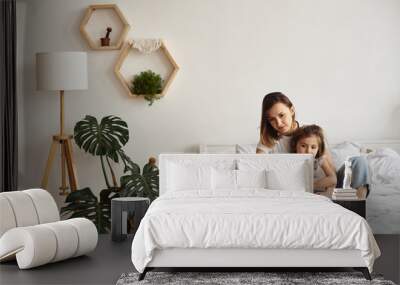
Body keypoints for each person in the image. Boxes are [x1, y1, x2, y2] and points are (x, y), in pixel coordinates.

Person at [256, 92, 369, 196]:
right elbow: (256, 168)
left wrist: (324, 186)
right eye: (272, 119)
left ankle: (357, 205)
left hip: (327, 186)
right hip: (299, 190)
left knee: (359, 162)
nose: (279, 123)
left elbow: (332, 173)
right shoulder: (268, 140)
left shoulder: (311, 133)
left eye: (281, 115)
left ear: (291, 110)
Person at [289, 124, 337, 191]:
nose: (308, 151)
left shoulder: (320, 160)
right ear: (295, 145)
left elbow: (333, 179)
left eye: (313, 147)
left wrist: (312, 185)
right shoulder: (291, 161)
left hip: (319, 192)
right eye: (303, 146)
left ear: (318, 148)